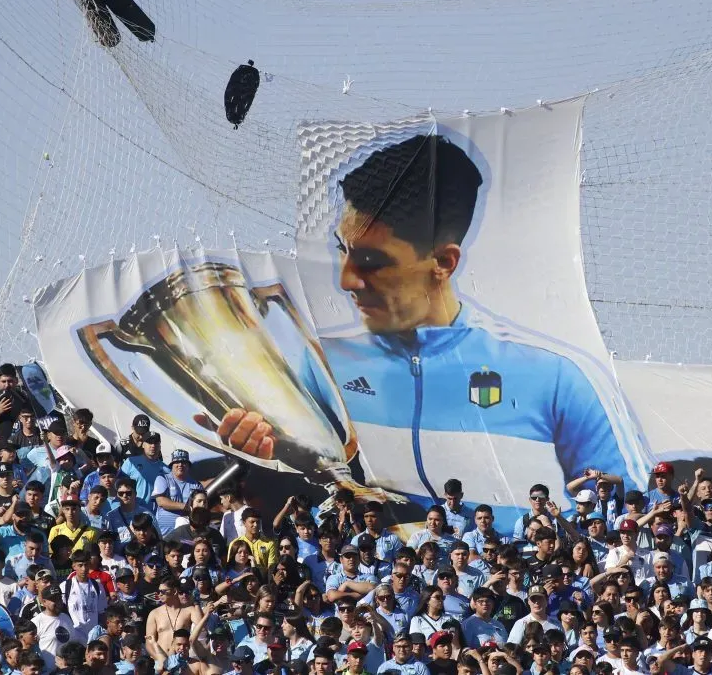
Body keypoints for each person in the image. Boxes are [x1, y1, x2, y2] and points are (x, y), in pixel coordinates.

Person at [205, 134, 650, 526]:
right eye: (343, 251)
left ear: (444, 263)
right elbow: (279, 504)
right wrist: (261, 464)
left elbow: (629, 511)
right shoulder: (316, 363)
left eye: (372, 261)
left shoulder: (556, 377)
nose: (347, 280)